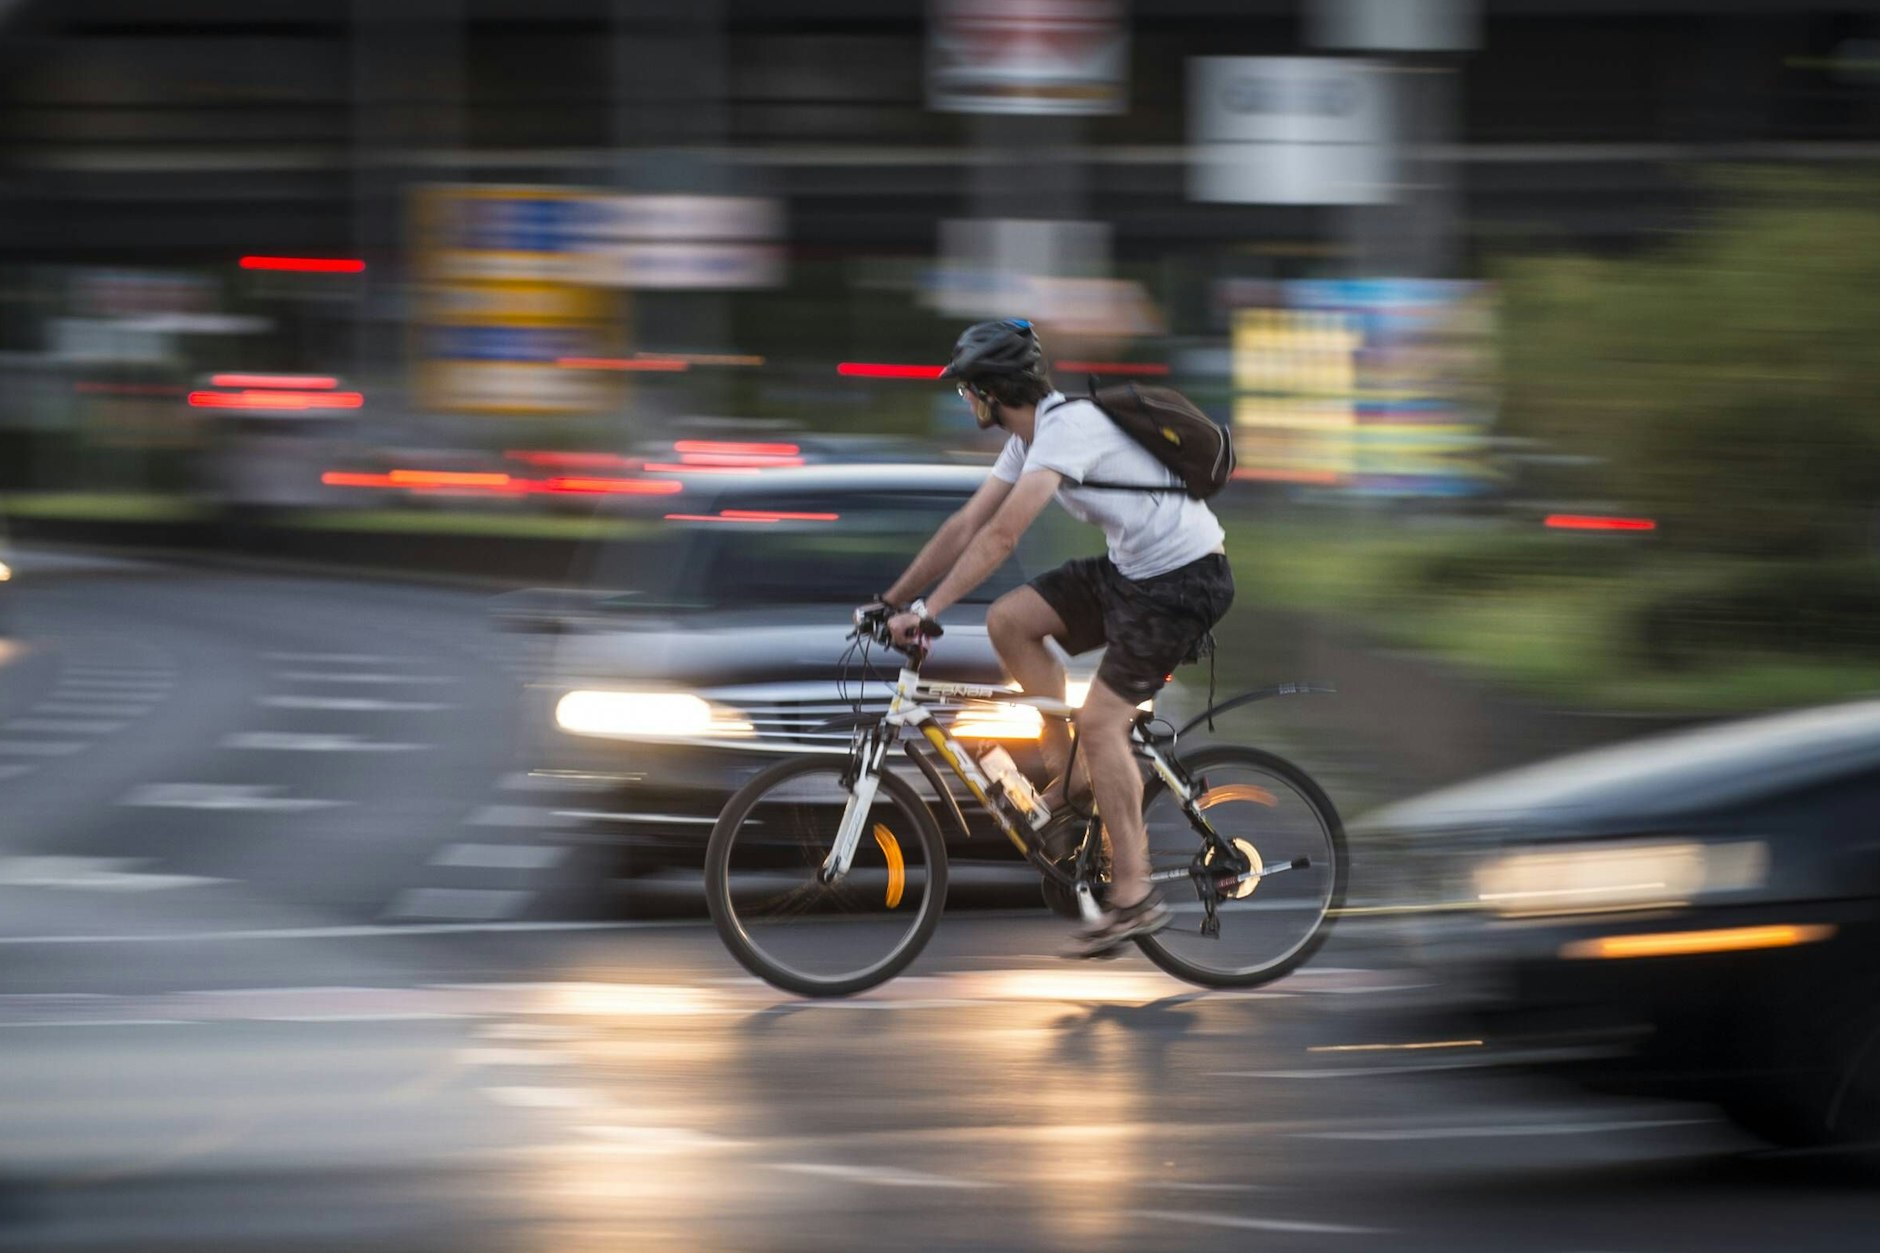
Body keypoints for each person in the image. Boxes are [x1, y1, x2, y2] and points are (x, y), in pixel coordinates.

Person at [871, 319, 1235, 958]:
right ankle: (1070, 785)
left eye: (968, 391)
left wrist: (930, 612)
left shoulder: (1068, 429)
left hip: (1184, 581)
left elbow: (1002, 537)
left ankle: (1134, 895)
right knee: (1009, 621)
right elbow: (966, 525)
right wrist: (892, 601)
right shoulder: (1028, 439)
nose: (966, 401)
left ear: (991, 391)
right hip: (1132, 573)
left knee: (1102, 725)